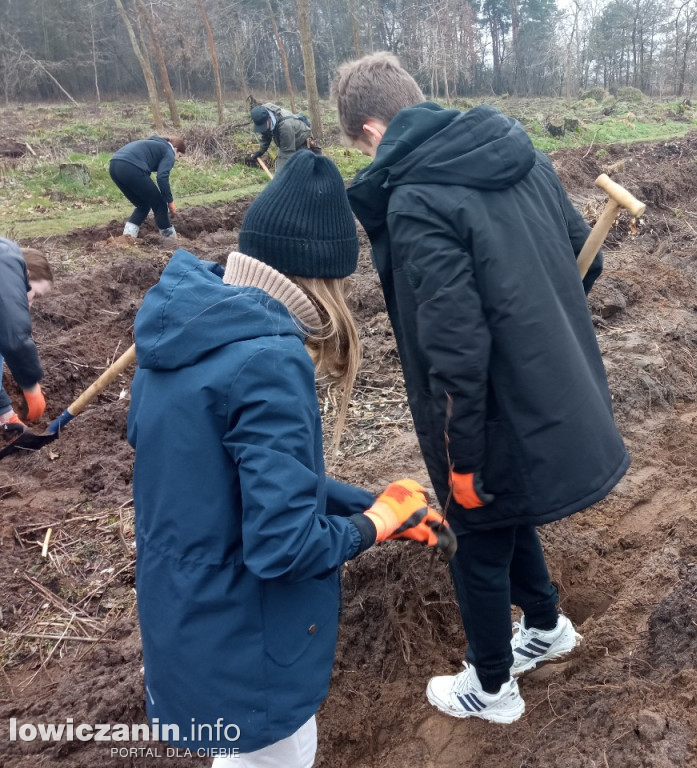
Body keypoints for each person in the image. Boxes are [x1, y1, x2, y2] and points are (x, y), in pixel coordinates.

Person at [126, 150, 455, 766]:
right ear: (324, 277)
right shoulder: (269, 362)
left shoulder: (183, 333)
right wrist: (375, 526)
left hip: (186, 620)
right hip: (251, 645)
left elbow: (226, 478)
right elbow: (283, 548)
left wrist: (373, 503)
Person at [331, 52, 630, 724]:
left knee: (475, 533)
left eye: (358, 146)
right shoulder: (514, 148)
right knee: (503, 514)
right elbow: (588, 262)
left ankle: (490, 687)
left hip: (485, 410)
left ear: (372, 131)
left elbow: (455, 348)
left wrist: (461, 459)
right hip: (544, 385)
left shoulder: (414, 199)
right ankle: (547, 627)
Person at [0, 239, 51, 440]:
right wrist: (31, 386)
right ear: (25, 276)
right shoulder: (6, 263)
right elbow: (15, 340)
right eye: (35, 296)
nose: (30, 305)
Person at [109, 135, 183, 239]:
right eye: (179, 156)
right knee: (160, 205)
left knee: (143, 205)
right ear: (176, 149)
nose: (177, 160)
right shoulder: (169, 151)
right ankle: (170, 241)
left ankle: (127, 239)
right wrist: (169, 201)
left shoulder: (155, 143)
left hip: (114, 166)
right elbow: (162, 177)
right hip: (131, 167)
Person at [246, 103, 312, 171]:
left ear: (269, 118)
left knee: (300, 170)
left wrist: (279, 176)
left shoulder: (285, 125)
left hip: (301, 140)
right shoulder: (262, 114)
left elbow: (287, 152)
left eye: (264, 126)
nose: (263, 128)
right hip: (286, 142)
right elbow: (265, 136)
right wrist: (260, 151)